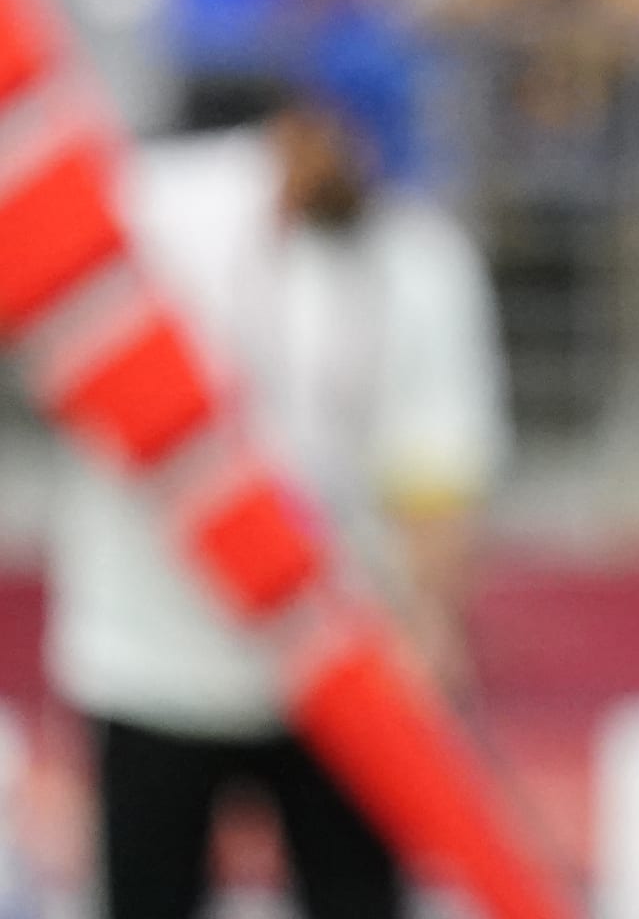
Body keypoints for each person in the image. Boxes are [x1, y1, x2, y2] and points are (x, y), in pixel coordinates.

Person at [45, 77, 510, 917]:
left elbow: (438, 461)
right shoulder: (160, 208)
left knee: (356, 896)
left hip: (340, 664)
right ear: (296, 124)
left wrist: (429, 620)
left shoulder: (415, 253)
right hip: (151, 656)